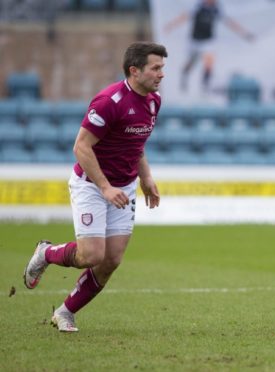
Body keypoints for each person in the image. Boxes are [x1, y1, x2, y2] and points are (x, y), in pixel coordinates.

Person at [23, 42, 168, 332]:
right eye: (156, 68)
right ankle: (46, 253)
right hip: (92, 184)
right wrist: (103, 187)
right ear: (134, 70)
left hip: (123, 187)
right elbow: (81, 147)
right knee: (91, 256)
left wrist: (146, 178)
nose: (161, 74)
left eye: (162, 68)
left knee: (111, 260)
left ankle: (65, 312)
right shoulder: (108, 102)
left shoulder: (153, 101)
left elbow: (135, 144)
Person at [164, 0, 254, 91]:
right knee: (191, 63)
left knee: (209, 62)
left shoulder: (216, 9)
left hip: (208, 40)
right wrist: (171, 25)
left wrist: (244, 33)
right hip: (195, 40)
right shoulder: (197, 7)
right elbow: (184, 17)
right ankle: (185, 75)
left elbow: (230, 23)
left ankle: (205, 85)